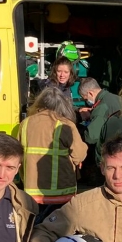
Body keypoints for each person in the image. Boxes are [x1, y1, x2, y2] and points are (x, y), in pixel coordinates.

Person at [19, 87, 88, 218]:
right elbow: (79, 155)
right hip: (61, 193)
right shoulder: (65, 124)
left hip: (32, 192)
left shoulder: (25, 123)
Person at [78, 77, 122, 145]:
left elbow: (91, 138)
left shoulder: (101, 108)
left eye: (86, 99)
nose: (86, 102)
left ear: (90, 94)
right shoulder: (117, 98)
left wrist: (81, 130)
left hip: (112, 146)